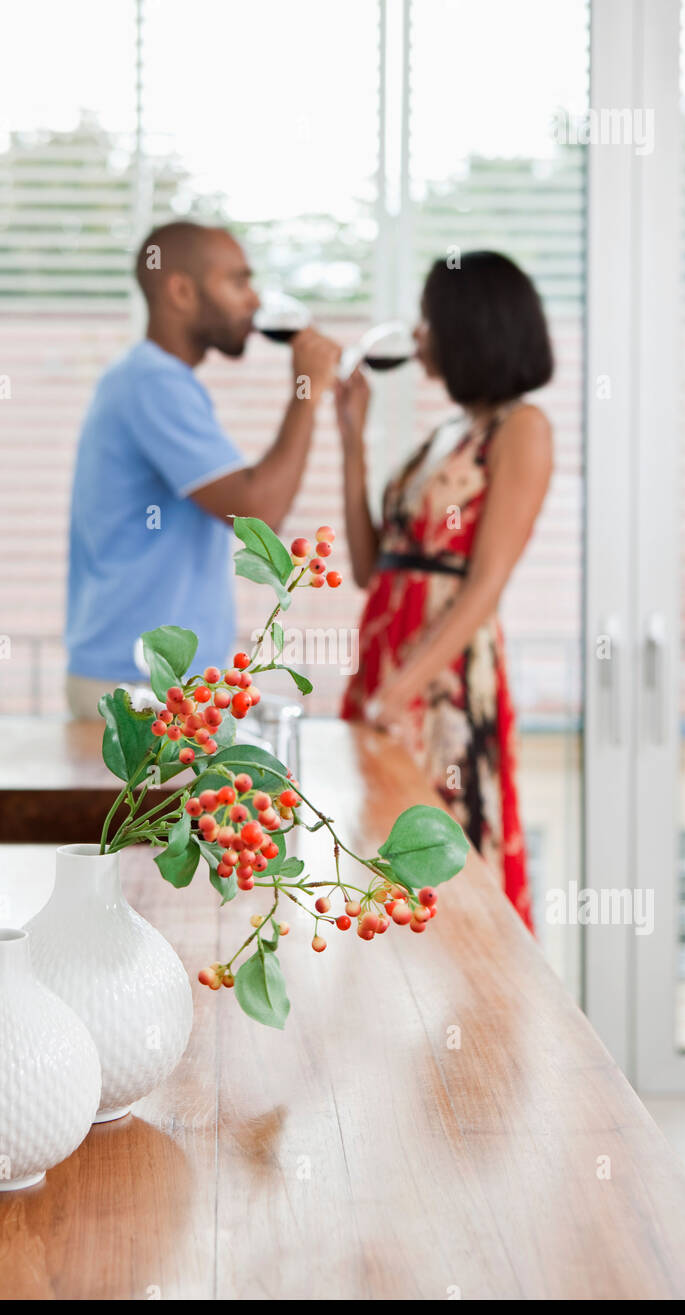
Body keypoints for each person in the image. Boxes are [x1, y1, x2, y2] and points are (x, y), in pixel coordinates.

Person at [335, 251, 554, 931]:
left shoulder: (521, 429)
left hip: (443, 675)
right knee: (379, 856)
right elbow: (374, 568)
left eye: (429, 320)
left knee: (444, 861)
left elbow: (486, 583)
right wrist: (353, 443)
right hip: (387, 661)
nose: (418, 335)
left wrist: (404, 686)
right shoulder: (444, 436)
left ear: (469, 326)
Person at [65, 221, 340, 717]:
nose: (254, 301)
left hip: (153, 681)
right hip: (140, 689)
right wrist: (307, 391)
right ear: (182, 292)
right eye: (237, 282)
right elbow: (258, 511)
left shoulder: (149, 380)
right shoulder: (154, 383)